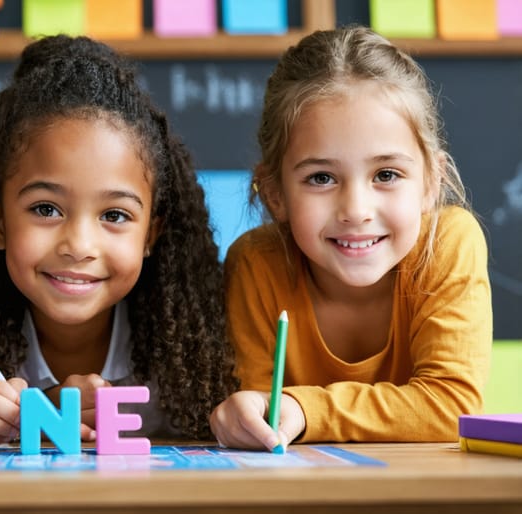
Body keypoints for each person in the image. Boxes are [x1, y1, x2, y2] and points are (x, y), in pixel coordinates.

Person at [0, 35, 238, 449]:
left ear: (150, 236)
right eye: (46, 209)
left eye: (114, 215)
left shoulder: (195, 348)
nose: (78, 245)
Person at [209, 26, 492, 451]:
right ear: (274, 194)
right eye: (321, 178)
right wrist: (245, 418)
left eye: (386, 175)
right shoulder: (256, 264)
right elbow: (259, 415)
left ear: (431, 182)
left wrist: (306, 411)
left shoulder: (449, 243)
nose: (356, 209)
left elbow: (452, 405)